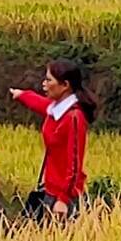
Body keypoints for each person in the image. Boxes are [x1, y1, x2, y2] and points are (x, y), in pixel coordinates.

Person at [8, 62, 96, 221]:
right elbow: (42, 104)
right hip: (51, 190)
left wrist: (63, 199)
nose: (44, 83)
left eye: (49, 80)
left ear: (65, 85)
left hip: (63, 198)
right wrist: (22, 95)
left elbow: (75, 164)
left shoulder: (74, 118)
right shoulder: (59, 109)